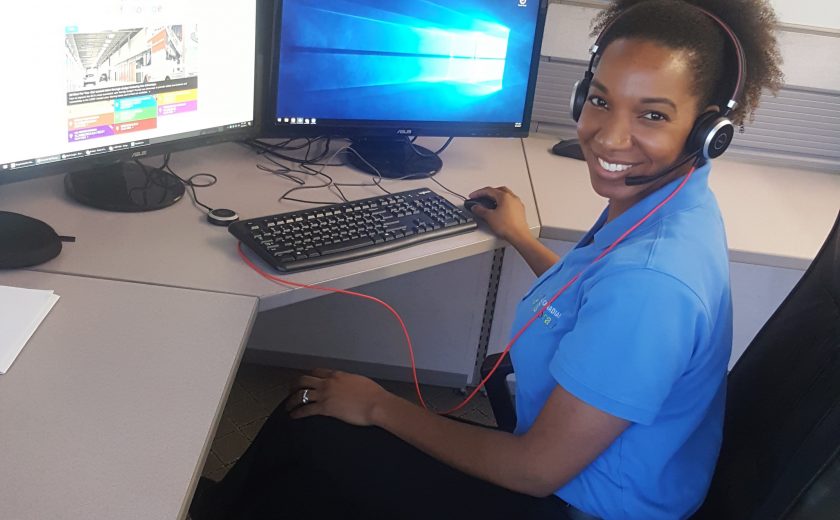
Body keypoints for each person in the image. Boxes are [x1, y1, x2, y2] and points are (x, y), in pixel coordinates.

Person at [190, 1, 784, 518]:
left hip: (577, 503)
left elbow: (534, 472)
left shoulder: (654, 281)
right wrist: (522, 237)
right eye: (599, 100)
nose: (607, 138)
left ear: (709, 131)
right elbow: (590, 296)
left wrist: (378, 405)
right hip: (593, 470)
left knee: (316, 424)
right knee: (317, 419)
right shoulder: (668, 199)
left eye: (652, 115)